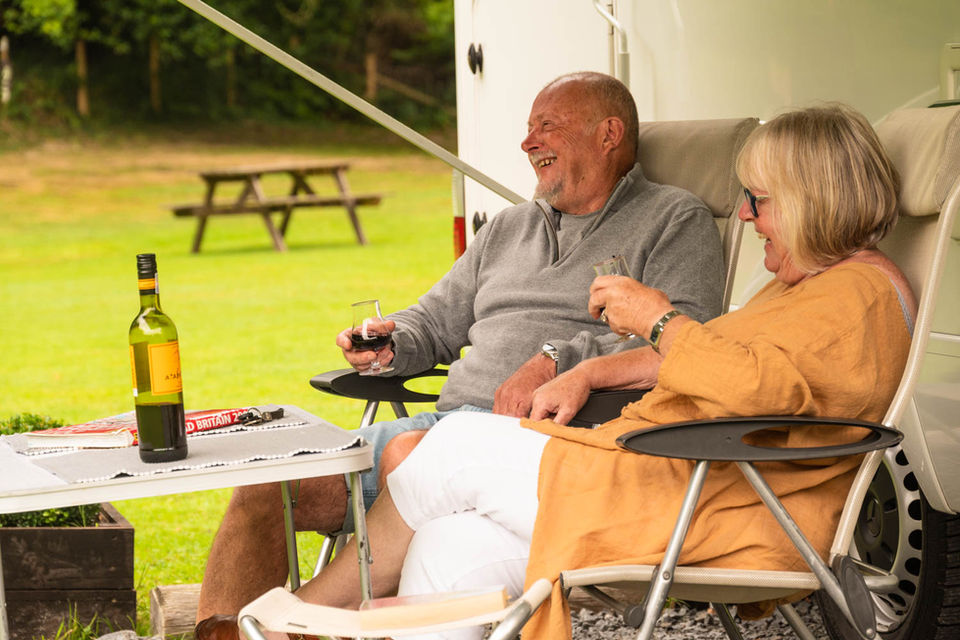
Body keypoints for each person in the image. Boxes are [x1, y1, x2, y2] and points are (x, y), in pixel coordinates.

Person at [237, 103, 917, 640]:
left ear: (809, 200)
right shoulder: (811, 289)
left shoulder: (855, 300)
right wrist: (596, 371)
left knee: (452, 450)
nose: (745, 214)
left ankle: (290, 618)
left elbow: (756, 390)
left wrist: (655, 316)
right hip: (663, 480)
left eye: (759, 200)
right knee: (450, 548)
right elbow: (730, 364)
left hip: (699, 501)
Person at [195, 71, 725, 629]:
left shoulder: (674, 217)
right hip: (446, 426)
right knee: (268, 484)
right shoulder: (507, 227)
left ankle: (300, 619)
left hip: (547, 438)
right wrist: (390, 341)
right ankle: (227, 630)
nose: (528, 142)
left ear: (608, 133)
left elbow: (684, 336)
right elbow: (435, 320)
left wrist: (554, 358)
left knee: (418, 454)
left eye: (547, 126)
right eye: (527, 129)